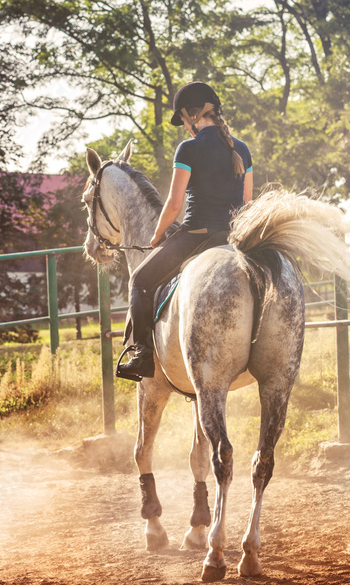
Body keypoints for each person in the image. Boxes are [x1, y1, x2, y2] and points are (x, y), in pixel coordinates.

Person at [116, 81, 253, 381]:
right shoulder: (241, 148)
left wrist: (156, 237)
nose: (185, 128)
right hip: (232, 238)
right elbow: (247, 204)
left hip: (196, 236)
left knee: (139, 281)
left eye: (184, 120)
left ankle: (142, 355)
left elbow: (175, 203)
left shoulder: (189, 148)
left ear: (193, 116)